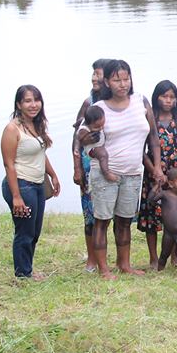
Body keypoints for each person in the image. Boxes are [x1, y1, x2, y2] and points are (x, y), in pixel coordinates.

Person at [93, 59, 162, 279]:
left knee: (124, 221)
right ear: (106, 81)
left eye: (126, 78)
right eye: (116, 80)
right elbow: (86, 142)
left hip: (133, 173)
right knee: (102, 221)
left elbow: (153, 138)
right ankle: (103, 269)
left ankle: (124, 264)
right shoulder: (98, 108)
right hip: (107, 173)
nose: (123, 84)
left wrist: (157, 166)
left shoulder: (140, 101)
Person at [0, 85, 61, 279]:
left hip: (37, 185)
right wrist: (16, 196)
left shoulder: (36, 124)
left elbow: (40, 153)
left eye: (36, 100)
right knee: (24, 233)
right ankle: (23, 275)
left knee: (34, 232)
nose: (33, 105)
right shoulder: (12, 129)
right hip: (21, 184)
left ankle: (27, 269)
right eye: (27, 101)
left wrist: (52, 174)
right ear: (18, 104)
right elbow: (9, 165)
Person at [136, 80, 177, 269]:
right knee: (152, 217)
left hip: (174, 177)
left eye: (172, 97)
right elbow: (141, 149)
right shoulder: (149, 121)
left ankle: (172, 255)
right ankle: (154, 258)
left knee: (174, 216)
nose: (168, 100)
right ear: (156, 97)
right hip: (152, 174)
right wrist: (154, 170)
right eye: (164, 96)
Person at [71, 58, 111, 273]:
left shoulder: (118, 102)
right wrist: (77, 168)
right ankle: (92, 260)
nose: (94, 78)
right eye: (93, 74)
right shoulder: (89, 104)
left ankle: (107, 257)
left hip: (113, 163)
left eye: (98, 74)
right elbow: (76, 137)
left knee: (109, 214)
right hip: (89, 166)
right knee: (90, 214)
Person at [76, 106, 110, 182]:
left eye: (102, 125)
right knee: (103, 155)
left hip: (100, 146)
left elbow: (80, 121)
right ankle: (106, 172)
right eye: (97, 127)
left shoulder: (97, 121)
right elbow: (78, 138)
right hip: (92, 149)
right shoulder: (84, 129)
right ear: (88, 124)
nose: (101, 128)